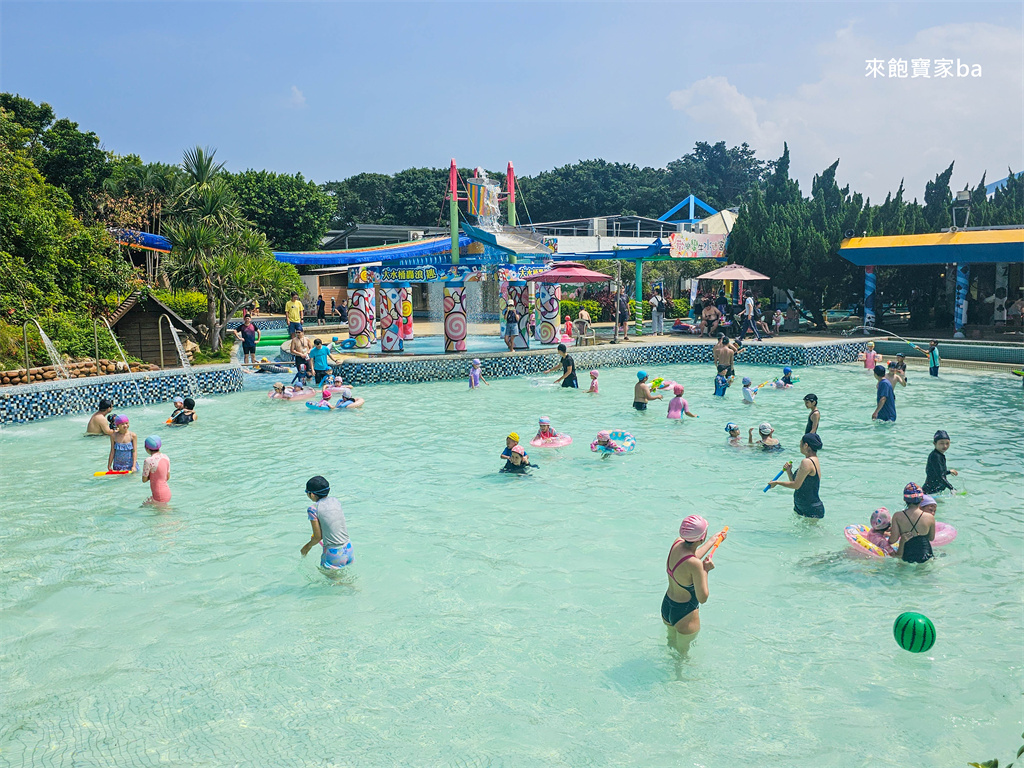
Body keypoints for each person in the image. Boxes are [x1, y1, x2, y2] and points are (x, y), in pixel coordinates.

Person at [663, 515, 726, 654]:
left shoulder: (677, 543)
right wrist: (706, 570)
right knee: (682, 658)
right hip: (685, 613)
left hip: (667, 607)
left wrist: (712, 541)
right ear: (701, 537)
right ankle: (681, 676)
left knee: (671, 646)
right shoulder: (696, 565)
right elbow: (703, 598)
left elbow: (689, 557)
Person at [300, 475, 353, 569]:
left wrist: (307, 547)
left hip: (334, 554)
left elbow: (317, 537)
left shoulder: (313, 509)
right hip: (348, 548)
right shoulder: (335, 501)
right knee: (344, 581)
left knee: (331, 582)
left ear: (312, 494)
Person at [769, 433, 824, 518]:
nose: (799, 446)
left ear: (806, 445)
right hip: (805, 506)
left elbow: (796, 485)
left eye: (800, 443)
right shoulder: (814, 459)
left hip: (810, 507)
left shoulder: (807, 462)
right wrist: (789, 471)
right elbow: (798, 484)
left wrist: (777, 482)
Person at [889, 482, 934, 563]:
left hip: (907, 552)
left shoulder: (897, 516)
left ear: (904, 499)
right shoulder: (929, 517)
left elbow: (893, 540)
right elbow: (931, 538)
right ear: (922, 499)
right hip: (925, 552)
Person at [923, 429, 958, 494]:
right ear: (934, 443)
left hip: (933, 490)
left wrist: (949, 472)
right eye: (941, 443)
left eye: (947, 443)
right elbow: (940, 476)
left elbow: (938, 472)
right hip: (931, 491)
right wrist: (951, 488)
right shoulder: (935, 456)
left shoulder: (938, 455)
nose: (945, 446)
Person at [141, 435, 171, 505]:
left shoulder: (148, 460)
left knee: (165, 514)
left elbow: (144, 480)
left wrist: (152, 475)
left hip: (159, 494)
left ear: (146, 448)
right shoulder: (166, 457)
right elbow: (167, 477)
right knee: (145, 505)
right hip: (167, 492)